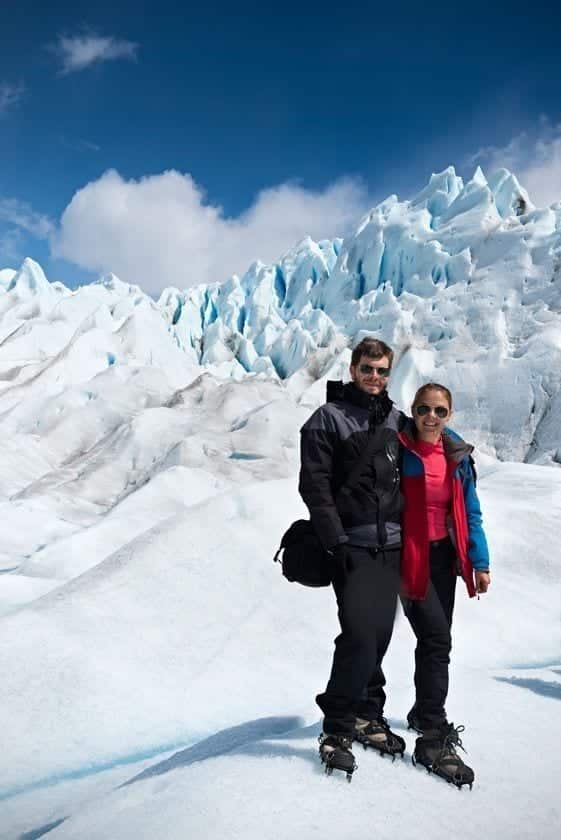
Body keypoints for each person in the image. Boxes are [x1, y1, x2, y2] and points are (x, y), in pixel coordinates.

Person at [298, 337, 406, 780]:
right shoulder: (329, 418)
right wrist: (335, 541)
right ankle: (337, 725)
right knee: (360, 634)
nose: (375, 378)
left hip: (393, 545)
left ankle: (368, 712)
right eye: (368, 369)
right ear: (353, 368)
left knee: (379, 635)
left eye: (382, 371)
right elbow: (315, 486)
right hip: (353, 544)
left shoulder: (398, 419)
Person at [398, 383, 490, 789]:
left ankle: (422, 712)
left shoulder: (456, 456)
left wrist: (480, 561)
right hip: (407, 557)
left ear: (449, 414)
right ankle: (432, 733)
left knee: (435, 639)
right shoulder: (400, 449)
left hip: (443, 559)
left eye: (439, 410)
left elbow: (471, 511)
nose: (430, 417)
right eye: (423, 409)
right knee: (436, 639)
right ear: (413, 411)